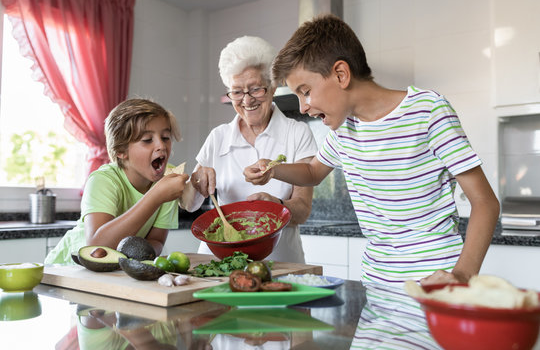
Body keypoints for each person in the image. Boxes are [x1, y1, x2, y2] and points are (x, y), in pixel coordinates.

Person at [243, 15, 500, 285]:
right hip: (377, 282)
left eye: (305, 91)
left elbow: (485, 203)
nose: (303, 106)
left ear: (341, 74)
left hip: (436, 282)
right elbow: (312, 171)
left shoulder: (427, 111)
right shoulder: (343, 129)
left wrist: (461, 275)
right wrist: (272, 170)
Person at [181, 36, 318, 264]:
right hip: (221, 262)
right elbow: (188, 203)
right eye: (237, 92)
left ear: (273, 87)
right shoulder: (218, 137)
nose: (247, 100)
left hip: (280, 263)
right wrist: (196, 181)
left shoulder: (297, 133)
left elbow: (303, 209)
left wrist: (277, 207)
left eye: (255, 89)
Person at [45, 99, 191, 265]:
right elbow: (97, 247)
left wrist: (135, 262)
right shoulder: (103, 180)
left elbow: (156, 241)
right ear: (121, 151)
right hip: (68, 269)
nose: (161, 145)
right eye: (147, 140)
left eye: (165, 137)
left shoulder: (168, 179)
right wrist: (156, 196)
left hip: (116, 272)